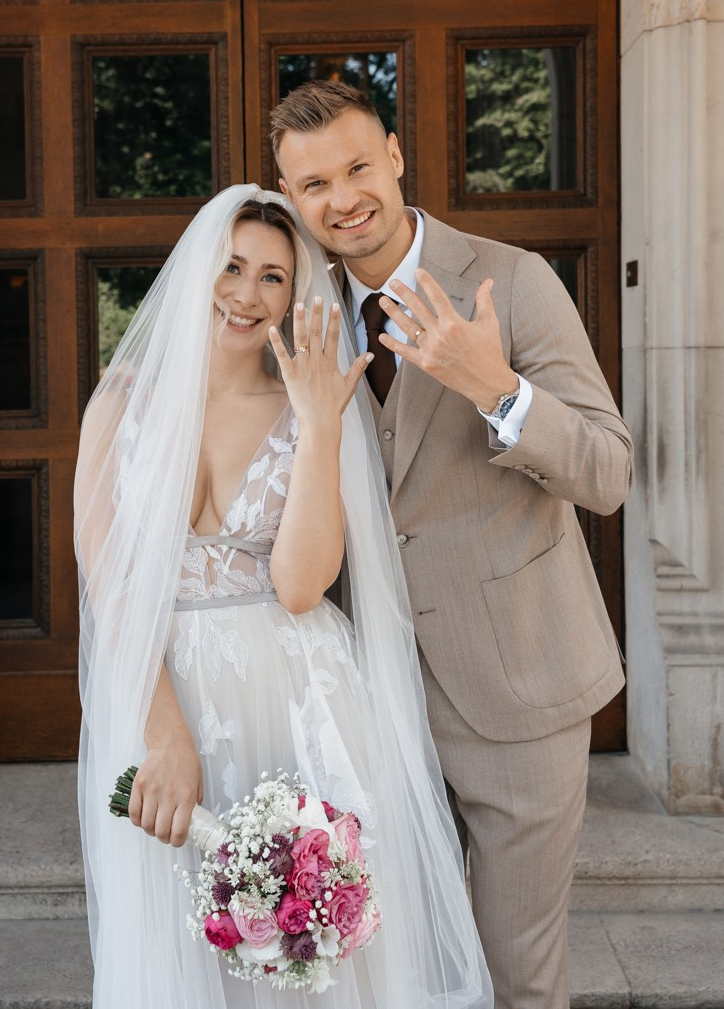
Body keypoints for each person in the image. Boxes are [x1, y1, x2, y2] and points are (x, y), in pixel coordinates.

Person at [75, 186, 493, 1008]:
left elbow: (302, 587)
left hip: (302, 698)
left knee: (312, 952)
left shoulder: (305, 410)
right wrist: (166, 737)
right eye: (231, 267)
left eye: (273, 276)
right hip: (158, 695)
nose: (247, 293)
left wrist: (321, 425)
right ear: (198, 272)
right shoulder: (119, 406)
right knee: (179, 939)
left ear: (294, 293)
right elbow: (109, 586)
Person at [270, 80, 633, 1009]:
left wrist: (498, 388)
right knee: (404, 976)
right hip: (369, 704)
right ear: (289, 194)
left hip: (521, 687)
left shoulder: (512, 280)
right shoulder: (297, 312)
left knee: (520, 978)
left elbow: (606, 473)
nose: (342, 198)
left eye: (356, 167)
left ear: (394, 155)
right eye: (313, 184)